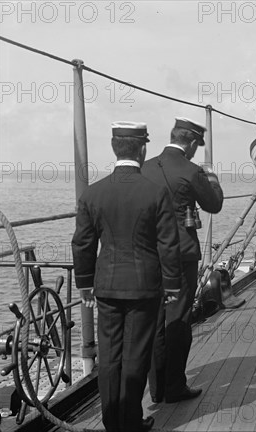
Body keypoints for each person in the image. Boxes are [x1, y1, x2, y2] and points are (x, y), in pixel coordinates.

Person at [72, 121, 182, 432]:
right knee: (136, 353)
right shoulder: (155, 193)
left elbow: (82, 243)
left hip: (105, 288)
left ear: (113, 147)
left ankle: (111, 421)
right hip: (144, 289)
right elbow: (168, 244)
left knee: (109, 356)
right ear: (143, 148)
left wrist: (85, 285)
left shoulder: (94, 194)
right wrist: (172, 285)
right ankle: (131, 421)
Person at [141, 117, 224, 404]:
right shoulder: (191, 170)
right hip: (181, 254)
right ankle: (175, 386)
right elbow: (214, 204)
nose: (194, 152)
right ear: (190, 143)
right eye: (195, 146)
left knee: (155, 320)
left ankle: (157, 388)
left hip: (150, 254)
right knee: (177, 320)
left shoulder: (145, 167)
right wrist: (210, 177)